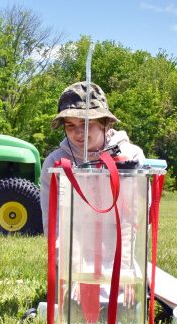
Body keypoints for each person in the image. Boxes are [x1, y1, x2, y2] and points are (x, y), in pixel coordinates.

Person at [40, 81, 145, 235]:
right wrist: (62, 257)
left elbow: (139, 218)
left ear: (104, 123)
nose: (78, 133)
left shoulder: (131, 156)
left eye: (86, 124)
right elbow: (53, 222)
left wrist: (121, 258)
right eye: (70, 125)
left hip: (120, 252)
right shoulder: (56, 163)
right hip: (74, 253)